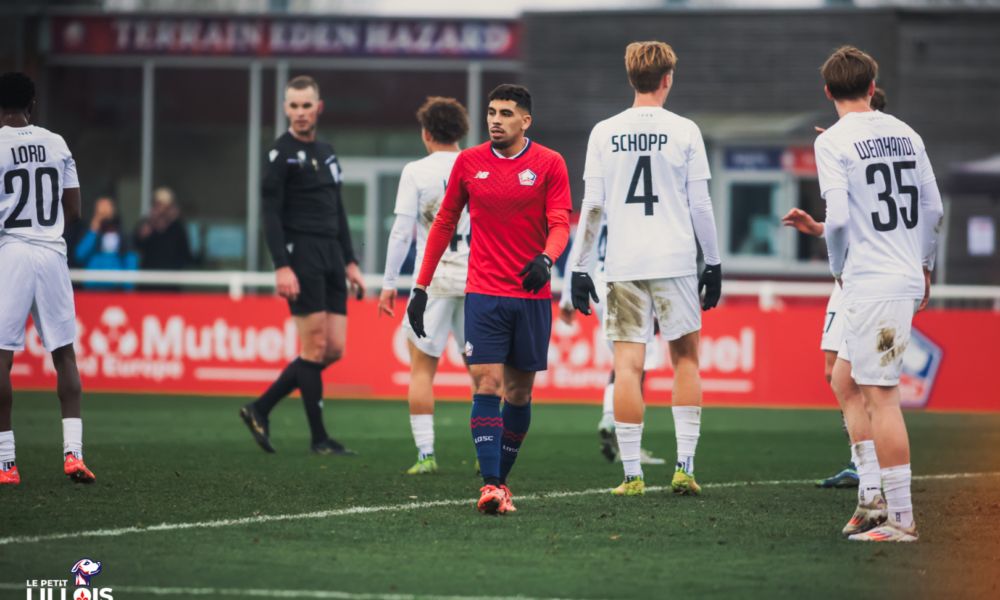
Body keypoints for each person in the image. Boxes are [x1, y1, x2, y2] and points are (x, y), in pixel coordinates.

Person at [408, 84, 571, 514]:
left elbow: (560, 223)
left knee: (518, 394)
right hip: (482, 292)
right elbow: (443, 223)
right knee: (486, 383)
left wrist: (547, 258)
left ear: (525, 121)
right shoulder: (469, 162)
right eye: (492, 112)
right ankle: (491, 485)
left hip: (530, 295)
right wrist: (420, 287)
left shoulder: (550, 163)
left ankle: (503, 480)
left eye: (505, 113)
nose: (495, 120)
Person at [569, 41, 722, 497]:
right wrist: (713, 262)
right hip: (675, 259)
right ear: (667, 78)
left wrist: (579, 267)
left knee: (627, 366)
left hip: (623, 261)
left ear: (630, 76)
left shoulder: (603, 132)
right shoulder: (685, 130)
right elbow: (700, 204)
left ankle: (632, 475)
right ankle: (684, 468)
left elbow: (592, 207)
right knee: (686, 361)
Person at [814, 46, 942, 542]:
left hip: (871, 280)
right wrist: (926, 263)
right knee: (845, 380)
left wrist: (838, 268)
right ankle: (870, 499)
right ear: (872, 87)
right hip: (902, 272)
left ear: (828, 92)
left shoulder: (834, 141)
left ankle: (902, 520)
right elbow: (932, 208)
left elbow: (840, 219)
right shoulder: (907, 132)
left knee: (882, 399)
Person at [239, 75, 365, 456]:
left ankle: (259, 408)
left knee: (334, 349)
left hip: (331, 254)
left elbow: (338, 210)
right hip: (302, 253)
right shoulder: (280, 154)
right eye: (293, 106)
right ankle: (319, 439)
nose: (299, 113)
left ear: (318, 107)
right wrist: (282, 265)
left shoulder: (327, 152)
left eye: (306, 105)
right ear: (285, 109)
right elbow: (270, 215)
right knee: (314, 349)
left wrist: (351, 261)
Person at [785, 86, 889, 490]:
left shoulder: (873, 148)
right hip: (844, 280)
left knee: (861, 378)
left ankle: (872, 469)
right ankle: (860, 461)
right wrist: (816, 229)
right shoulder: (845, 151)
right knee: (834, 370)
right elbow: (848, 222)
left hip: (864, 277)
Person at [0, 71, 95, 485]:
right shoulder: (56, 143)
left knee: (2, 358)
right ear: (32, 104)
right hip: (52, 252)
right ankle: (73, 455)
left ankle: (6, 464)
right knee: (64, 355)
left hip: (13, 252)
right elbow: (73, 209)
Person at [378, 96, 472, 475]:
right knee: (483, 372)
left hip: (431, 281)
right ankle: (491, 454)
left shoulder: (416, 171)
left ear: (426, 133)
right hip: (475, 279)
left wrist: (388, 284)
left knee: (422, 371)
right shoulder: (480, 164)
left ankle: (426, 455)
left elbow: (402, 233)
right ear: (460, 131)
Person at [558, 216, 666, 465]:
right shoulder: (643, 201)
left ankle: (610, 417)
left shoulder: (604, 195)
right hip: (632, 285)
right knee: (635, 368)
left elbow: (582, 244)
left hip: (601, 284)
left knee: (623, 363)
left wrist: (567, 296)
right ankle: (630, 442)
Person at [74, 195, 138, 289]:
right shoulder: (90, 233)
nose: (103, 212)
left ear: (113, 210)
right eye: (100, 209)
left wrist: (128, 289)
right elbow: (80, 255)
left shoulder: (123, 235)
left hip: (116, 289)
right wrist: (94, 228)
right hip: (92, 288)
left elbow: (130, 261)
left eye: (107, 207)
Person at [134, 186, 193, 281]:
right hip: (148, 279)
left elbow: (186, 254)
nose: (161, 209)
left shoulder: (177, 227)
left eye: (165, 205)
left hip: (171, 281)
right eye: (158, 204)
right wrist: (149, 227)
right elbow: (137, 245)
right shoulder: (146, 224)